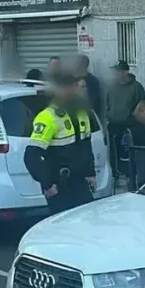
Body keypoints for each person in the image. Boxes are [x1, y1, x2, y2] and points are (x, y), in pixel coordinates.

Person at [24, 74, 96, 215]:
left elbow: (86, 145)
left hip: (79, 181)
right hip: (59, 184)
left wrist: (90, 173)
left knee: (88, 221)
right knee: (64, 228)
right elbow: (31, 156)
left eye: (83, 87)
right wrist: (47, 184)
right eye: (78, 87)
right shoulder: (48, 117)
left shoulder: (82, 113)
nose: (82, 91)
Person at [105, 60, 145, 177]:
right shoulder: (112, 87)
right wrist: (108, 114)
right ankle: (115, 174)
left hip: (129, 127)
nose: (116, 74)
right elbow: (107, 103)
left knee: (128, 155)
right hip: (113, 126)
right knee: (114, 153)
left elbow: (142, 106)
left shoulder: (136, 87)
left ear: (126, 72)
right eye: (115, 71)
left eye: (118, 71)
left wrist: (132, 119)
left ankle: (130, 176)